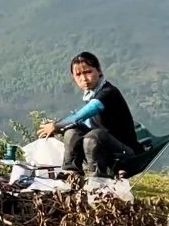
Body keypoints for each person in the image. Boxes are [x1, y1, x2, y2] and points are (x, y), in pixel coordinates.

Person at [36, 51, 139, 181]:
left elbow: (88, 111)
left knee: (94, 136)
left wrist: (56, 125)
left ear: (99, 71)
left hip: (124, 153)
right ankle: (71, 175)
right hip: (104, 148)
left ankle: (96, 180)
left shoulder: (108, 92)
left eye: (88, 72)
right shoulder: (91, 94)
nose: (84, 78)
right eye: (78, 74)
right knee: (72, 132)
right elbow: (82, 123)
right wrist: (62, 128)